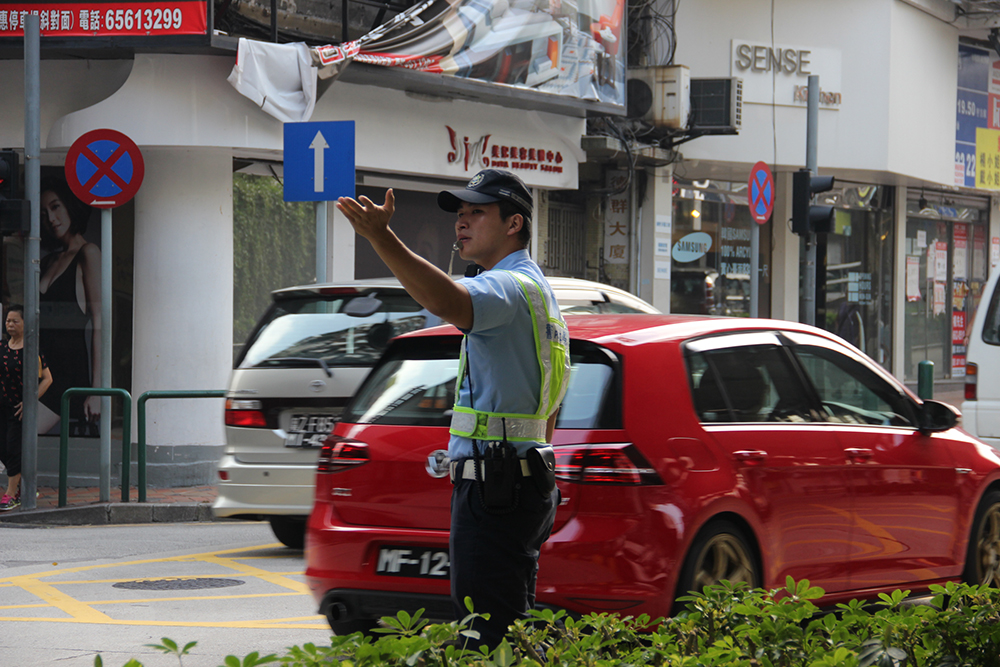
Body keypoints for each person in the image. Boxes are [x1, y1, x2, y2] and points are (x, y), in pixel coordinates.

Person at [336, 169, 570, 650]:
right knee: (511, 626)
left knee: (485, 634)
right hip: (523, 478)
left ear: (514, 224)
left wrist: (382, 237)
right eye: (459, 215)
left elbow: (447, 299)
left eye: (476, 213)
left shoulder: (505, 289)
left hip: (497, 486)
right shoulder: (536, 289)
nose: (461, 224)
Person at [38, 178, 101, 435]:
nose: (51, 219)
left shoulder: (89, 253)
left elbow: (101, 322)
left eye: (55, 207)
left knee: (17, 434)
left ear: (70, 206)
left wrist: (97, 391)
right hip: (40, 373)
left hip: (67, 378)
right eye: (44, 213)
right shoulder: (47, 260)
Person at [0, 305, 53, 510]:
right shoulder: (2, 347)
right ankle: (25, 486)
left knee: (14, 449)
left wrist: (30, 401)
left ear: (25, 324)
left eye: (15, 321)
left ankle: (11, 494)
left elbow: (48, 379)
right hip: (2, 405)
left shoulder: (32, 350)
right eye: (8, 321)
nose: (10, 324)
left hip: (19, 408)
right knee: (3, 447)